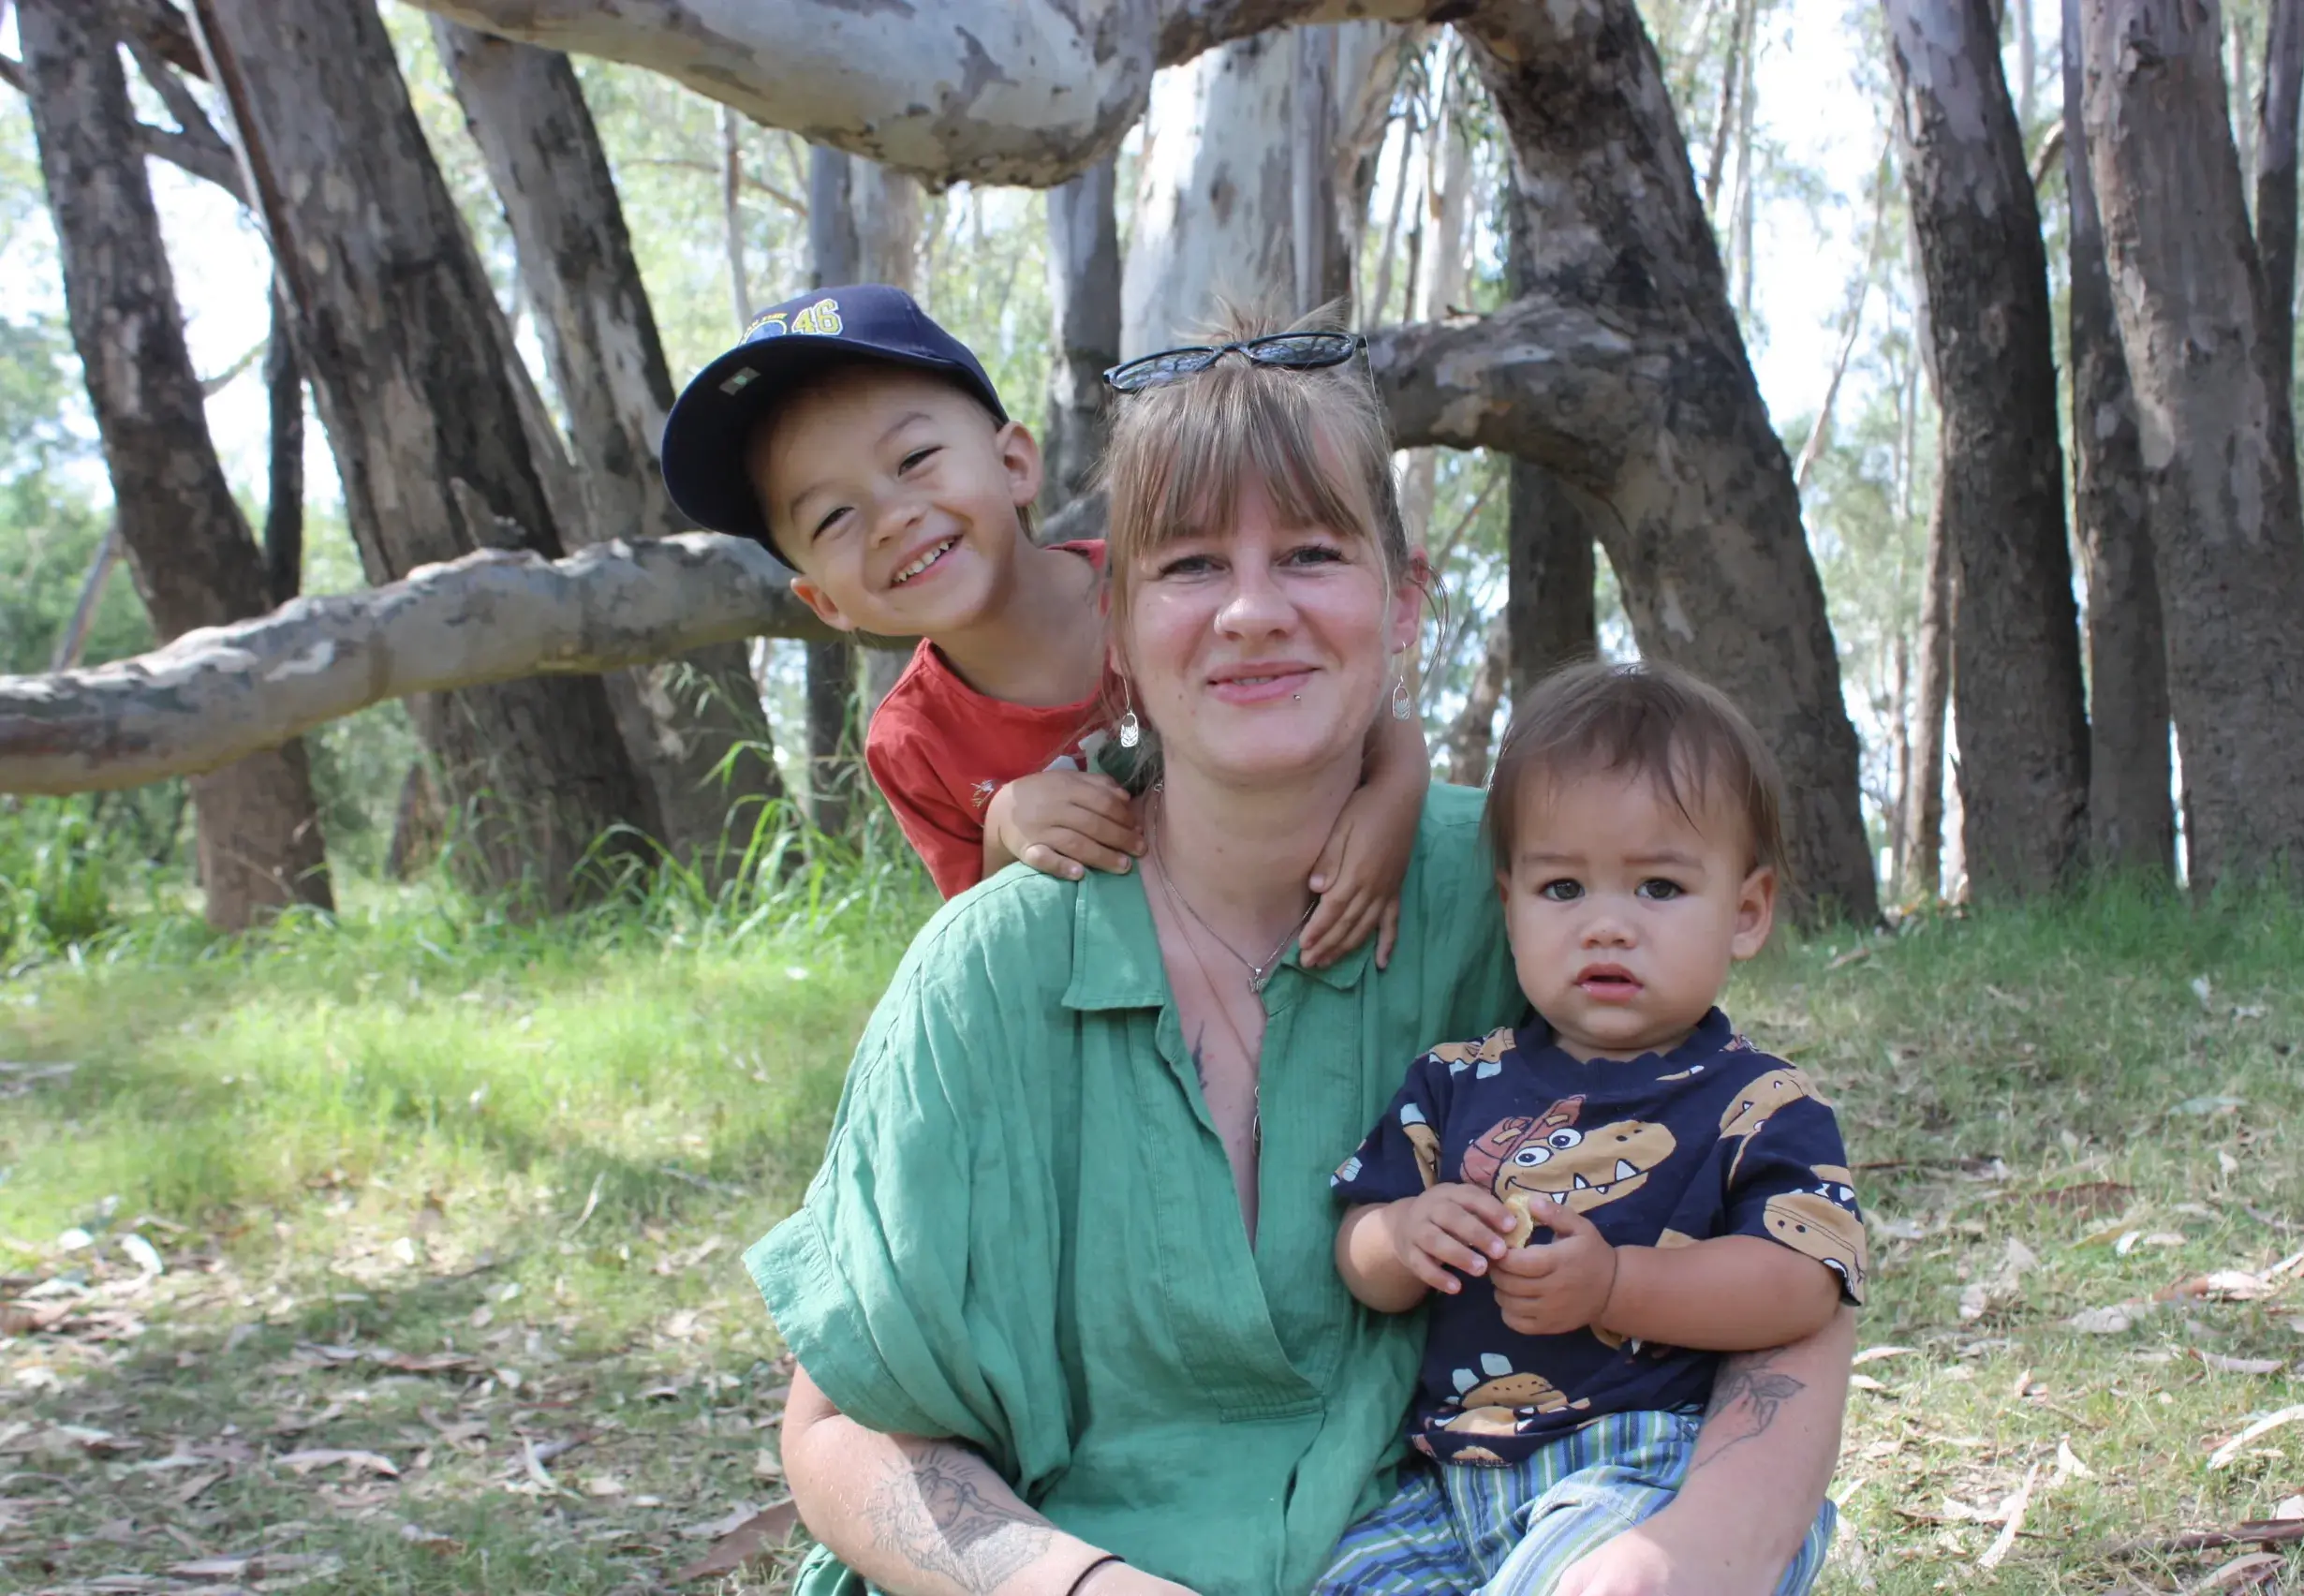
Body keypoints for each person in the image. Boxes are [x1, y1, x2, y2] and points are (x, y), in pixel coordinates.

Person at [743, 309, 1855, 1596]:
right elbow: (842, 1426)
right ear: (1120, 623)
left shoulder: (1538, 908)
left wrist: (1686, 1559)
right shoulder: (983, 973)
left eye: (1314, 553)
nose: (1253, 612)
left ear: (1406, 603)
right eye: (1193, 566)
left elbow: (1787, 1274)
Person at [658, 285, 1425, 968]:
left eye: (915, 458)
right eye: (832, 516)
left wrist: (1395, 800)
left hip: (1310, 929)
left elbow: (1366, 700)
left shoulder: (1169, 594)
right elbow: (982, 938)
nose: (892, 518)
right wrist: (1004, 827)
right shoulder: (912, 741)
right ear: (827, 604)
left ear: (1016, 463)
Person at [1317, 661, 1865, 1594]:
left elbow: (1800, 1284)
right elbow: (1359, 1254)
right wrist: (1404, 1236)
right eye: (1563, 889)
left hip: (1644, 1466)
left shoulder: (1758, 1104)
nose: (1606, 926)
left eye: (1657, 888)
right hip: (1450, 1481)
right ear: (1510, 907)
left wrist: (1617, 1283)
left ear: (1746, 912)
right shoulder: (1457, 1078)